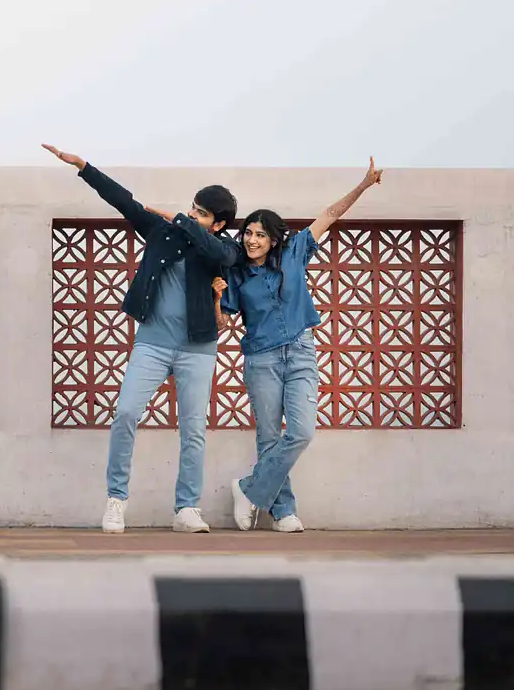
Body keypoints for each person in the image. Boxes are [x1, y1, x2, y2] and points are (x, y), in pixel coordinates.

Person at [42, 143, 243, 534]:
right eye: (192, 208)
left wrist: (183, 221)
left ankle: (187, 508)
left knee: (193, 430)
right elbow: (124, 202)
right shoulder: (163, 232)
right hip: (153, 343)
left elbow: (221, 255)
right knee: (126, 414)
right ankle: (116, 500)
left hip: (198, 348)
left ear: (218, 224)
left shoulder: (223, 248)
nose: (192, 215)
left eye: (202, 213)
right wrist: (84, 166)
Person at [215, 158, 385, 533]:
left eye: (260, 235)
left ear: (274, 239)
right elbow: (222, 322)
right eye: (248, 234)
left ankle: (248, 489)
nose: (252, 240)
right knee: (269, 436)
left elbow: (329, 215)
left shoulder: (294, 252)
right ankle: (283, 512)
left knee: (302, 432)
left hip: (300, 352)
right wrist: (216, 296)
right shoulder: (236, 272)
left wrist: (363, 185)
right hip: (261, 358)